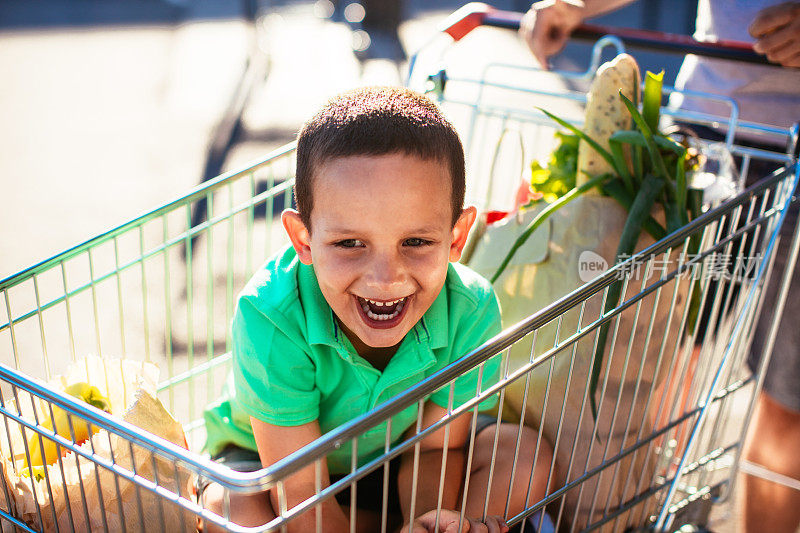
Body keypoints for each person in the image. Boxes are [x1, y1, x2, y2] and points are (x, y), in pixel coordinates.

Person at [200, 86, 553, 533]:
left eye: (417, 242)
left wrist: (426, 520)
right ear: (303, 240)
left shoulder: (470, 310)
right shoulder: (271, 316)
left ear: (457, 237)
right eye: (349, 244)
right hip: (276, 474)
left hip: (393, 462)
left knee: (522, 454)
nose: (385, 279)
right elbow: (301, 495)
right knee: (229, 511)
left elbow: (434, 448)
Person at [520, 1, 800, 531]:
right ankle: (637, 508)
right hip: (709, 130)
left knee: (786, 400)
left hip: (788, 143)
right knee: (650, 361)